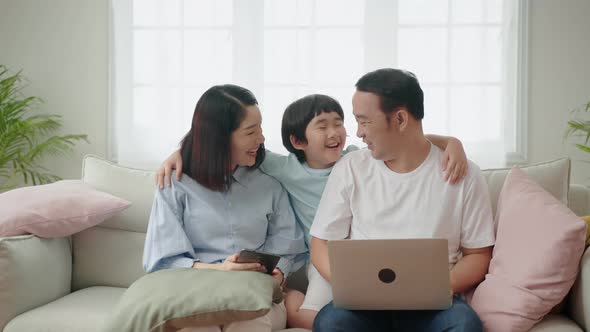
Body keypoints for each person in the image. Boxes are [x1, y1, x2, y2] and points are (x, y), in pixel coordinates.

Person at [157, 93, 469, 329]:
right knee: (317, 314)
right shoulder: (283, 168)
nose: (335, 132)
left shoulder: (358, 160)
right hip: (319, 261)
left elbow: (399, 140)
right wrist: (181, 153)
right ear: (297, 140)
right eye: (323, 126)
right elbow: (216, 147)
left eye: (339, 123)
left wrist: (450, 141)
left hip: (352, 258)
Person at [309, 68, 495, 332]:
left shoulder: (462, 173)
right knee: (330, 323)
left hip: (435, 306)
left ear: (400, 119)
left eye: (364, 121)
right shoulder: (351, 168)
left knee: (465, 325)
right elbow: (321, 243)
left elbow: (478, 254)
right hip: (363, 305)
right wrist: (351, 288)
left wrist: (435, 288)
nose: (358, 133)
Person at [143, 84, 307, 332]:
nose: (261, 139)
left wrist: (279, 274)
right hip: (195, 293)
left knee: (249, 322)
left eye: (260, 128)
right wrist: (221, 270)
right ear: (219, 138)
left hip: (254, 295)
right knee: (195, 328)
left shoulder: (269, 181)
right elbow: (164, 260)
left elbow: (289, 247)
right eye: (250, 132)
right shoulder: (174, 184)